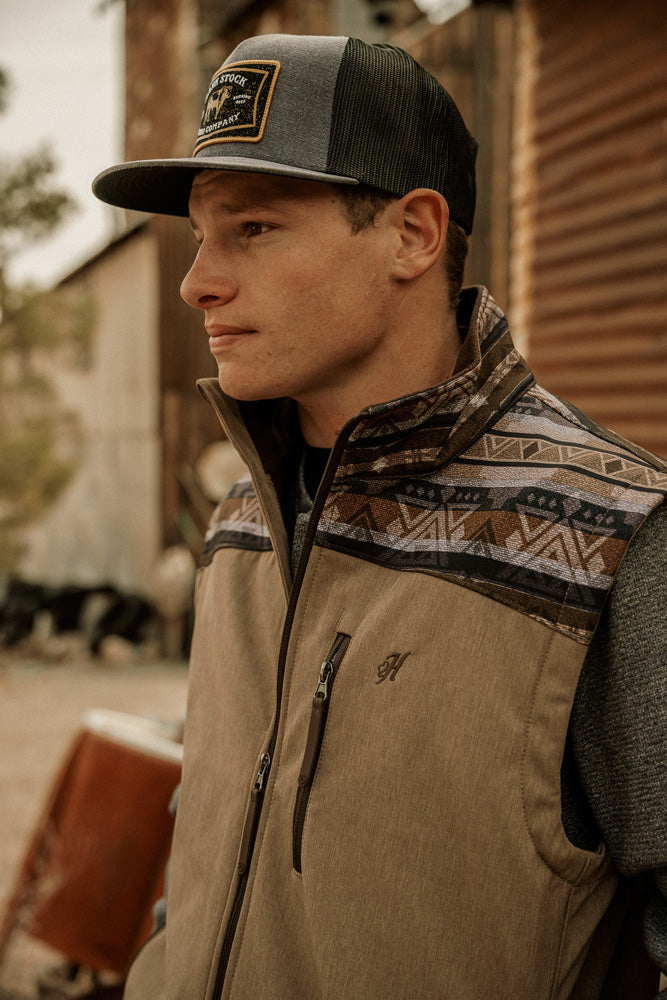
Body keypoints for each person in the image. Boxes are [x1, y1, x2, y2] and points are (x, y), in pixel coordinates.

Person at [93, 33, 667, 1000]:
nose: (199, 281)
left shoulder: (610, 538)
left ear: (412, 233)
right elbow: (216, 834)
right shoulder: (243, 513)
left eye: (255, 229)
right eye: (200, 234)